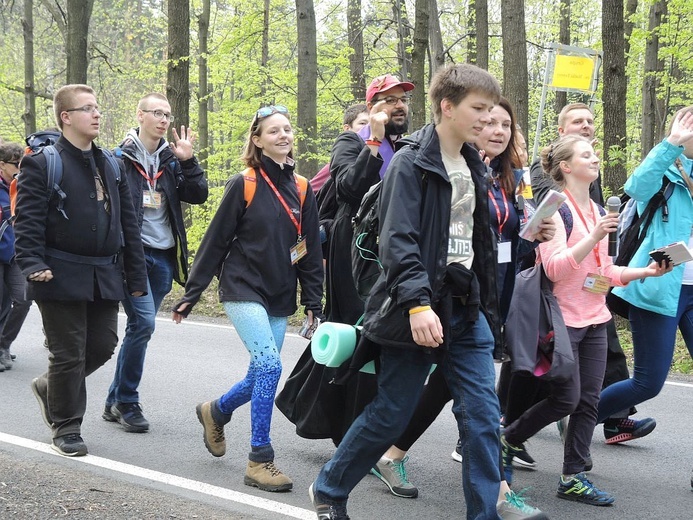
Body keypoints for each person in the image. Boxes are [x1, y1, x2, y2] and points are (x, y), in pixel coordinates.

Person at [309, 63, 505, 520]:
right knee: (391, 414)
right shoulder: (411, 163)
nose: (487, 120)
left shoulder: (475, 165)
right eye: (479, 109)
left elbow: (478, 246)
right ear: (447, 106)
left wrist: (489, 312)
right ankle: (331, 488)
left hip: (466, 309)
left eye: (492, 111)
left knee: (481, 419)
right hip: (415, 308)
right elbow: (398, 241)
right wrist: (417, 304)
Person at [368, 98, 553, 520]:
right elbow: (407, 237)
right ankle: (499, 495)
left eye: (506, 124)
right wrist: (418, 304)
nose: (498, 130)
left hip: (493, 295)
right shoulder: (452, 169)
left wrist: (534, 237)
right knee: (472, 401)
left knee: (462, 396)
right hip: (447, 298)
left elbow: (501, 245)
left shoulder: (508, 180)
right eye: (489, 121)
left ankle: (394, 454)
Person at [501, 135, 671, 506]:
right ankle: (509, 438)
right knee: (566, 398)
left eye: (595, 153)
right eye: (587, 155)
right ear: (566, 166)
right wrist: (593, 236)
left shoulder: (597, 210)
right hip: (561, 320)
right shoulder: (553, 209)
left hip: (596, 317)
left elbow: (605, 271)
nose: (595, 159)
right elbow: (556, 268)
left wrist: (647, 272)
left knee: (589, 402)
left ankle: (573, 477)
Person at [172, 105, 323, 492]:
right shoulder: (246, 182)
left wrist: (314, 301)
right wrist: (193, 292)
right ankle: (260, 459)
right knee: (271, 367)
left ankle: (216, 410)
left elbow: (308, 249)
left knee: (260, 372)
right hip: (241, 287)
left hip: (279, 292)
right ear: (257, 140)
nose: (283, 135)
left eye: (287, 129)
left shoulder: (303, 188)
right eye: (274, 131)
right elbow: (216, 239)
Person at [275, 74, 414, 446]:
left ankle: (312, 409)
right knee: (357, 332)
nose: (399, 105)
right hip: (351, 251)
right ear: (373, 108)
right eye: (390, 100)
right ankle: (351, 433)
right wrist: (374, 140)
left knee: (361, 335)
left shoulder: (407, 148)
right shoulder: (351, 142)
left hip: (390, 253)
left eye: (403, 99)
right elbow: (350, 187)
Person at [16, 84, 147, 457]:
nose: (96, 114)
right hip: (56, 272)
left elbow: (129, 225)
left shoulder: (112, 163)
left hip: (104, 272)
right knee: (69, 352)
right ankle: (67, 426)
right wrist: (31, 263)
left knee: (103, 345)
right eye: (87, 108)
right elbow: (27, 221)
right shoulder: (42, 162)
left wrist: (135, 277)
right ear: (66, 117)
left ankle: (50, 387)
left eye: (97, 107)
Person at [530, 102, 654, 445]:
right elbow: (552, 247)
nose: (586, 126)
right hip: (557, 303)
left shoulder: (595, 191)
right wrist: (594, 235)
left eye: (590, 121)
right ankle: (508, 430)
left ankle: (599, 438)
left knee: (590, 386)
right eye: (577, 121)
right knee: (539, 377)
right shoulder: (551, 186)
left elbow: (602, 254)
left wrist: (644, 271)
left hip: (592, 296)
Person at [102, 93, 208, 433]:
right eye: (156, 113)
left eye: (167, 114)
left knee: (138, 328)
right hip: (132, 255)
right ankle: (128, 401)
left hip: (164, 255)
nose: (163, 120)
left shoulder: (171, 159)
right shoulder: (117, 159)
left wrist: (189, 162)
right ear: (140, 115)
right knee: (144, 324)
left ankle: (113, 401)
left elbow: (198, 195)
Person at [596, 107, 693, 436]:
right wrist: (671, 145)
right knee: (648, 383)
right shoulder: (664, 172)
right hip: (658, 287)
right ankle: (577, 419)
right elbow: (635, 188)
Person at [0, 143, 33, 371]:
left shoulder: (22, 186)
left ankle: (3, 344)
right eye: (15, 164)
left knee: (23, 299)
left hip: (15, 254)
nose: (20, 168)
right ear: (2, 165)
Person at [311, 104, 369, 193]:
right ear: (347, 128)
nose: (369, 127)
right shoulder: (337, 165)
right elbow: (308, 192)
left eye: (372, 123)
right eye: (362, 123)